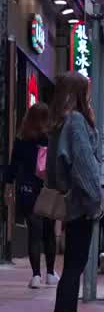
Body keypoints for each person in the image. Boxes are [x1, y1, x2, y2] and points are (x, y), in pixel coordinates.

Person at [45, 73, 103, 312]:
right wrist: (95, 201)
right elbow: (84, 165)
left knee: (74, 262)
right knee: (74, 263)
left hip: (72, 200)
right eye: (87, 90)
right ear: (79, 92)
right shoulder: (76, 121)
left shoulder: (60, 121)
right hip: (81, 203)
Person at [10, 102, 58, 289]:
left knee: (34, 234)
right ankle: (51, 273)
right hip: (48, 189)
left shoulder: (22, 140)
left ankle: (36, 275)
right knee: (49, 233)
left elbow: (14, 166)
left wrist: (8, 181)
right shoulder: (51, 139)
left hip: (28, 190)